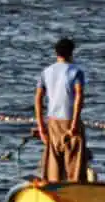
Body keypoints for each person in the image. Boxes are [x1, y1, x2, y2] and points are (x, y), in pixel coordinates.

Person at [34, 37, 89, 183]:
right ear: (72, 53)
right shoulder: (76, 71)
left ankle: (54, 194)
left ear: (56, 53)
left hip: (53, 122)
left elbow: (38, 99)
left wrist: (41, 127)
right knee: (75, 167)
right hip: (70, 120)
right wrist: (74, 125)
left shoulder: (46, 71)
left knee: (53, 168)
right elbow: (79, 96)